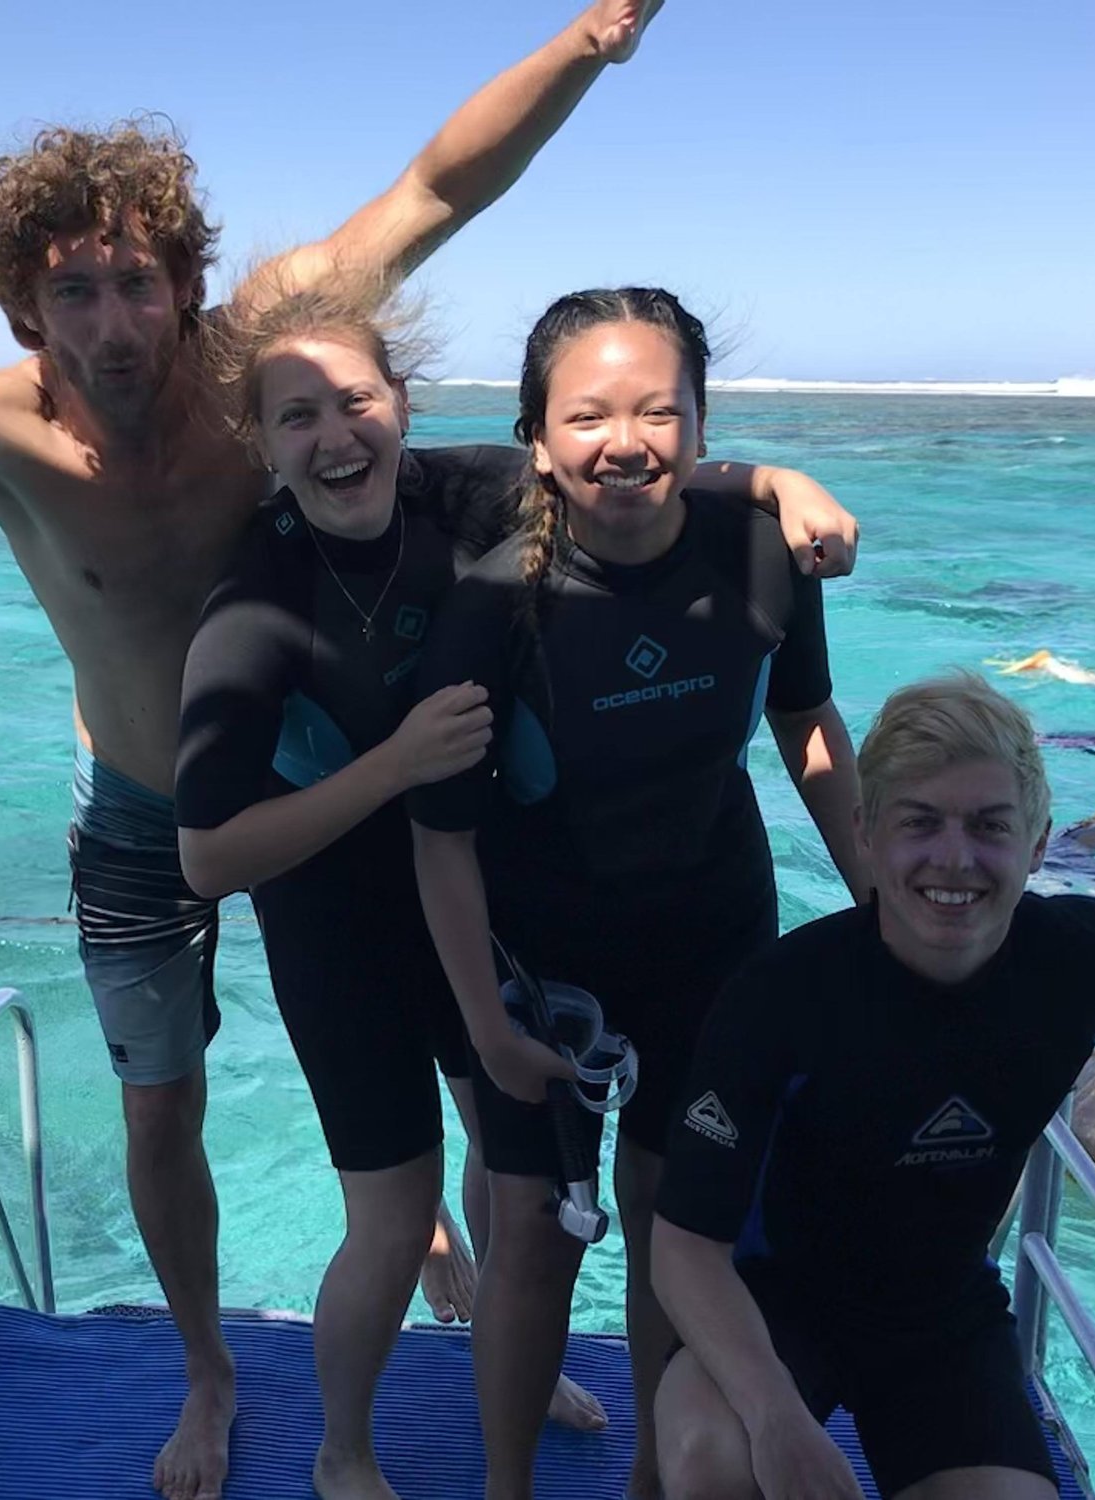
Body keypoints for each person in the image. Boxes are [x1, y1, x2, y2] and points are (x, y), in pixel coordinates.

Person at [0, 11, 870, 1498]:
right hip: (143, 809)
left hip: (343, 803)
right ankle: (207, 1373)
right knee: (162, 1104)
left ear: (185, 285)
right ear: (24, 307)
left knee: (486, 1101)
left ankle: (502, 1333)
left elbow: (442, 195)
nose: (112, 324)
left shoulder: (271, 359)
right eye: (72, 291)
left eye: (137, 283)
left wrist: (591, 40)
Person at [173, 276, 853, 1499]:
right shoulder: (319, 602)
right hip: (396, 923)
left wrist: (775, 481)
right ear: (260, 445)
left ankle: (613, 1442)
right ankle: (357, 1452)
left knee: (611, 1209)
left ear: (401, 404)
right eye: (295, 417)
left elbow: (636, 474)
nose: (334, 435)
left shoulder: (499, 499)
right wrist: (479, 1004)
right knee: (434, 1220)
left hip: (604, 920)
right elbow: (230, 854)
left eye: (356, 401)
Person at [407, 287, 866, 1500]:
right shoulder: (491, 605)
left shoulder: (760, 553)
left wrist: (877, 901)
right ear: (535, 439)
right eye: (587, 416)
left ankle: (657, 1484)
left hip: (712, 948)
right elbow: (440, 840)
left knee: (676, 1232)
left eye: (658, 412)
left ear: (702, 427)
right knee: (531, 1237)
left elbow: (805, 723)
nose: (625, 442)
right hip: (537, 972)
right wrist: (485, 1028)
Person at [649, 674, 1095, 1500]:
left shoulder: (1071, 956)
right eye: (920, 822)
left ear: (1038, 845)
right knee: (715, 1458)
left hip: (940, 1312)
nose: (954, 859)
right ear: (865, 835)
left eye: (989, 826)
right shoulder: (779, 998)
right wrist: (773, 1416)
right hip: (775, 1301)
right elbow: (684, 1248)